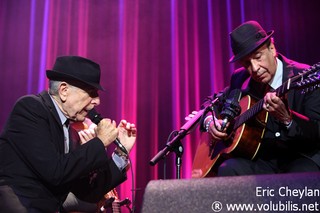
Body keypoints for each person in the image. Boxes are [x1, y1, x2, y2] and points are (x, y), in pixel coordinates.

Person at [0, 56, 137, 212]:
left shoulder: (70, 130)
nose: (97, 101)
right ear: (64, 91)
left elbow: (87, 193)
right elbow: (55, 172)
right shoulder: (30, 109)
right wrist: (100, 141)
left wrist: (121, 153)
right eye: (92, 92)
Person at [202, 20, 320, 176]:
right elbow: (210, 104)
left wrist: (287, 119)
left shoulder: (304, 76)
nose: (255, 69)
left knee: (301, 175)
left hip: (301, 157)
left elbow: (317, 130)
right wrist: (210, 121)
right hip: (264, 161)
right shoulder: (241, 79)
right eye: (246, 64)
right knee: (228, 168)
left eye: (258, 57)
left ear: (272, 48)